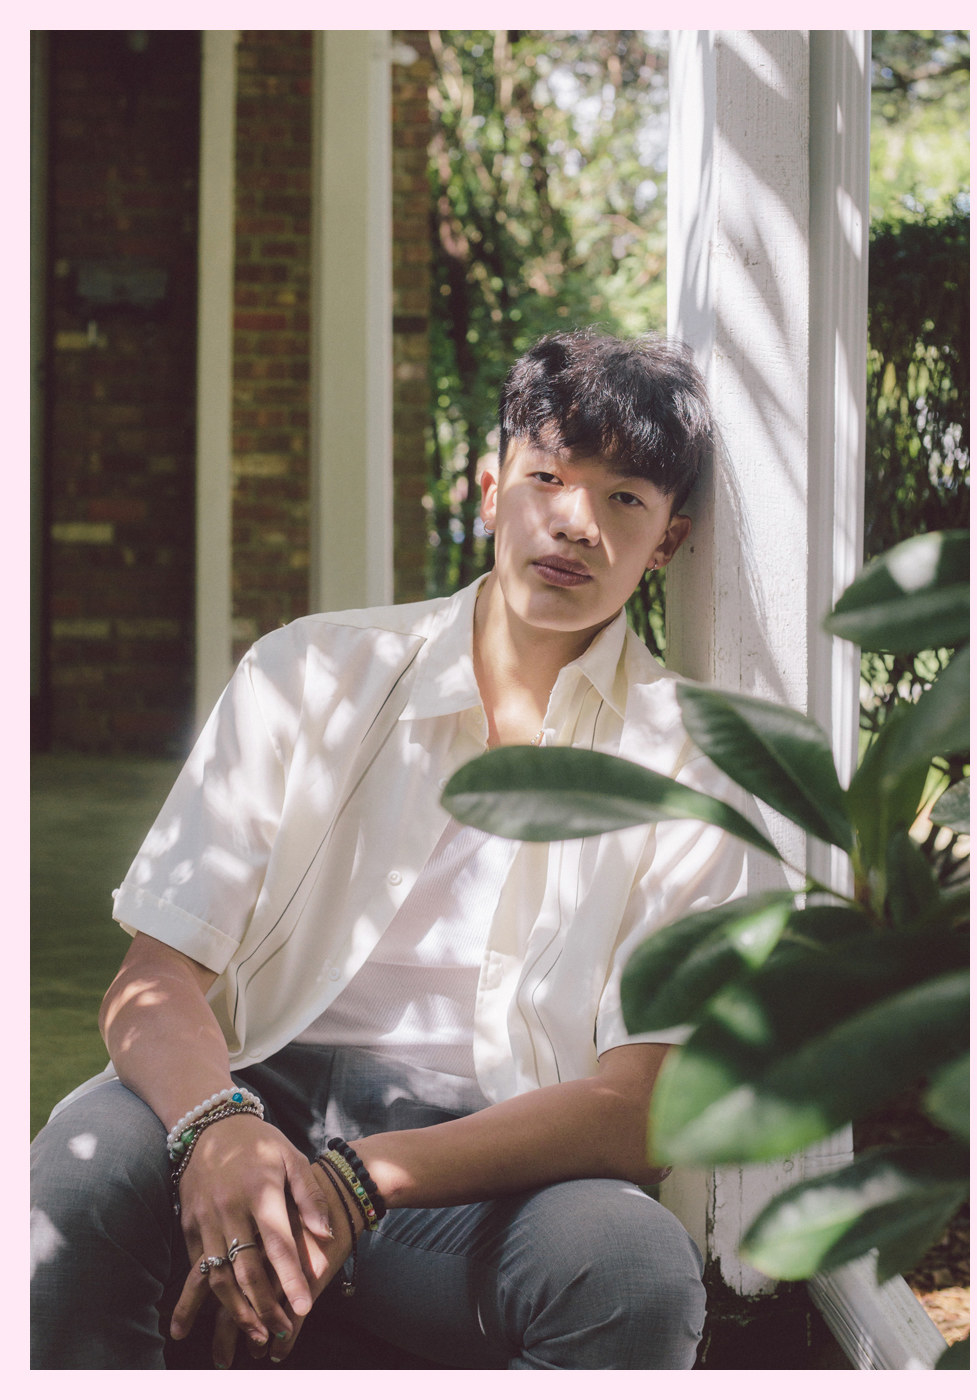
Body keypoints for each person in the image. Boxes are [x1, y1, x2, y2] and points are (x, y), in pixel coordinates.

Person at [30, 330, 747, 1370]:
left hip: (490, 1169)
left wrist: (356, 1178)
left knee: (631, 1269)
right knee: (73, 1185)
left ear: (668, 542)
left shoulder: (687, 757)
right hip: (252, 1086)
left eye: (624, 498)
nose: (575, 522)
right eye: (548, 476)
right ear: (494, 486)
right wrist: (217, 1127)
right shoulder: (311, 671)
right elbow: (153, 977)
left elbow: (642, 1106)